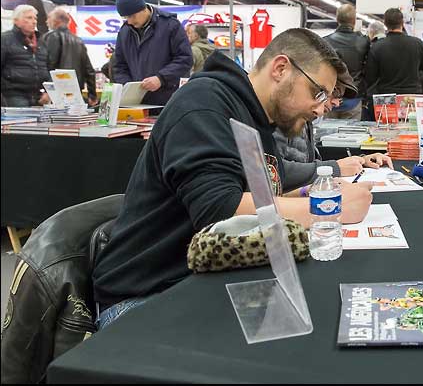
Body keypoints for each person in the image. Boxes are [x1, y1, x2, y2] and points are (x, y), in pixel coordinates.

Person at [92, 28, 373, 329]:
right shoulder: (204, 104)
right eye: (318, 92)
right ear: (280, 69)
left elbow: (265, 191)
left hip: (194, 283)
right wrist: (329, 207)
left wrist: (313, 191)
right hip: (144, 297)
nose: (320, 108)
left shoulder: (255, 117)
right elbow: (219, 209)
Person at [274, 67, 393, 191]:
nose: (336, 103)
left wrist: (360, 161)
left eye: (340, 98)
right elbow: (276, 172)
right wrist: (335, 168)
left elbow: (311, 162)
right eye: (334, 94)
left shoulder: (306, 120)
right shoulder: (283, 117)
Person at [113, 0, 192, 105]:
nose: (129, 21)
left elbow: (185, 59)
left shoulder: (170, 25)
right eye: (126, 17)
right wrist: (128, 86)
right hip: (136, 103)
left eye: (132, 16)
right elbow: (119, 65)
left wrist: (161, 78)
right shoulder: (124, 32)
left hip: (168, 100)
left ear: (144, 9)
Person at [365, 8, 423, 96]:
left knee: (388, 111)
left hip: (387, 96)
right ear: (402, 22)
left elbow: (370, 77)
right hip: (412, 95)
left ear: (385, 24)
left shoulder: (377, 47)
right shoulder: (417, 43)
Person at [43, 7, 98, 106]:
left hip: (57, 91)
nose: (47, 21)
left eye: (49, 18)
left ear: (56, 21)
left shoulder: (52, 37)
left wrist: (46, 89)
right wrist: (92, 95)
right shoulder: (79, 41)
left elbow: (49, 64)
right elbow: (89, 70)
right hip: (76, 92)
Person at [324, 4, 370, 120]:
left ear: (337, 19)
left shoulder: (325, 42)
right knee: (353, 135)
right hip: (353, 97)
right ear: (354, 21)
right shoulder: (364, 42)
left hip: (329, 99)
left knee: (325, 135)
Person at [1, 4, 50, 107]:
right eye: (29, 18)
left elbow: (49, 67)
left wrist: (48, 91)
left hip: (38, 96)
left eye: (35, 18)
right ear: (16, 21)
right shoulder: (5, 40)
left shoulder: (41, 42)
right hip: (13, 95)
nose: (34, 21)